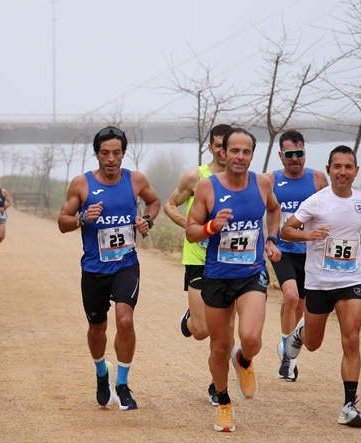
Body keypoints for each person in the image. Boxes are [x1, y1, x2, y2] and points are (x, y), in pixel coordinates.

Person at [281, 145, 361, 428]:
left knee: (351, 338)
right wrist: (308, 235)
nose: (342, 172)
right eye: (337, 167)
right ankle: (301, 333)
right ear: (328, 170)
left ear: (356, 171)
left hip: (350, 280)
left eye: (348, 167)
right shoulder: (316, 201)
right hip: (318, 282)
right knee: (314, 344)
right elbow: (286, 230)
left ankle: (349, 406)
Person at [58, 126, 160, 411]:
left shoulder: (136, 180)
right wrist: (81, 218)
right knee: (97, 327)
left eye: (116, 153)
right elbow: (62, 221)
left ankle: (123, 383)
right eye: (105, 153)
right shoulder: (82, 184)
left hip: (126, 264)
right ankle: (102, 372)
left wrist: (147, 221)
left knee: (125, 321)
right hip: (93, 270)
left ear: (123, 154)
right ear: (97, 155)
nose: (111, 158)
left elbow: (154, 202)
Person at [186, 127, 281, 432]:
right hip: (216, 277)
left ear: (252, 154)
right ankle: (224, 403)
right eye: (235, 151)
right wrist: (213, 225)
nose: (240, 157)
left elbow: (275, 210)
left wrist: (272, 239)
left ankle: (245, 359)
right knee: (218, 347)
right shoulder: (207, 188)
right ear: (223, 153)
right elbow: (192, 231)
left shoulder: (263, 183)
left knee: (251, 338)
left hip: (251, 274)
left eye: (247, 151)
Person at [163, 123, 231, 405]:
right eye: (219, 146)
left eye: (229, 147)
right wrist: (191, 226)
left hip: (230, 261)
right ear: (210, 147)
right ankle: (189, 319)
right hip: (199, 259)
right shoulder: (196, 176)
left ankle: (218, 387)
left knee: (225, 332)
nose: (224, 153)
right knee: (202, 331)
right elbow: (170, 205)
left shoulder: (242, 180)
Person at [263, 130, 328, 382]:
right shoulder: (270, 180)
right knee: (290, 297)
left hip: (311, 252)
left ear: (304, 153)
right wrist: (269, 241)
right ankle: (288, 358)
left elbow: (330, 208)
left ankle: (287, 343)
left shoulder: (317, 179)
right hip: (283, 251)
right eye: (289, 154)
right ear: (280, 155)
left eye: (299, 154)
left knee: (302, 305)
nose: (295, 159)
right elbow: (265, 212)